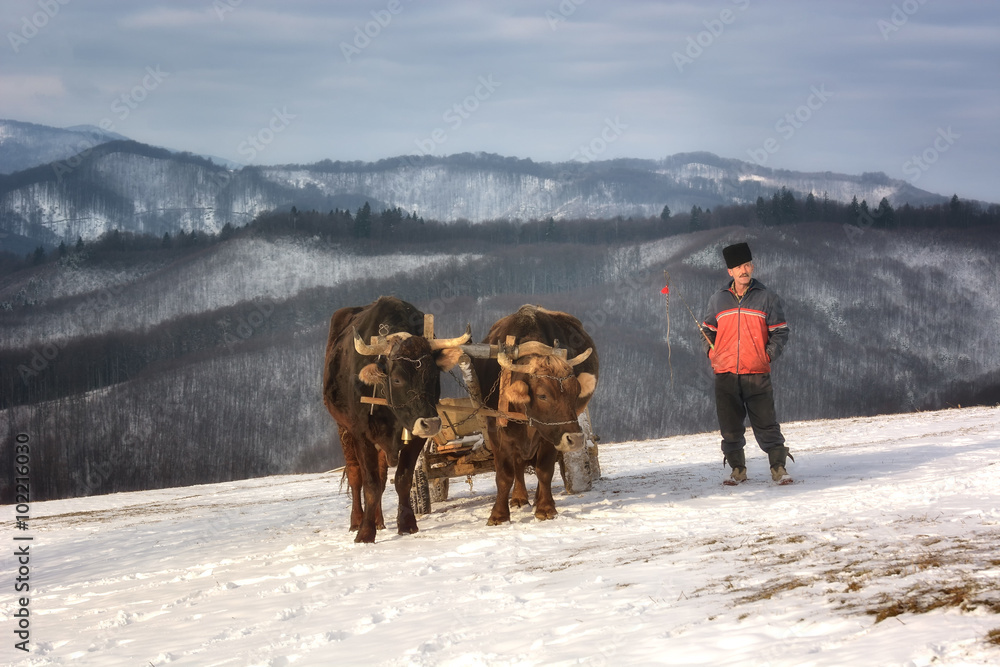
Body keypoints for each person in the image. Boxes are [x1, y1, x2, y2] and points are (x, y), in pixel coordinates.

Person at [701, 242, 792, 485]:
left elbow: (781, 332)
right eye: (738, 266)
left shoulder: (767, 298)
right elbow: (707, 331)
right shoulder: (717, 300)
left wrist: (767, 355)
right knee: (730, 427)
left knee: (766, 424)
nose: (744, 270)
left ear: (752, 266)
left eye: (747, 264)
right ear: (729, 271)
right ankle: (738, 470)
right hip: (726, 375)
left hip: (757, 374)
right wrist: (713, 355)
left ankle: (778, 468)